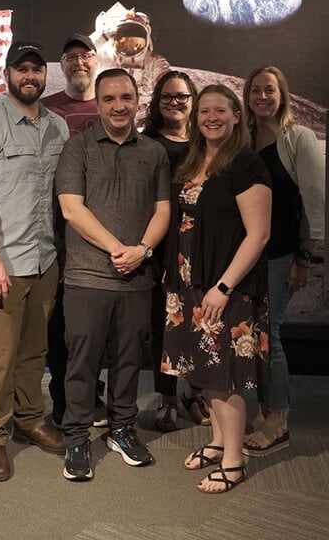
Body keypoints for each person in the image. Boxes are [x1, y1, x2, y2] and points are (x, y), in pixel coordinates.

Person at [0, 40, 69, 482]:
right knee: (0, 353)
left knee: (34, 350)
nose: (29, 76)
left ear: (44, 76)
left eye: (36, 69)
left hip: (45, 259)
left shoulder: (58, 127)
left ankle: (29, 418)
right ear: (7, 75)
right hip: (3, 262)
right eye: (21, 69)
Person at [55, 68, 171, 481]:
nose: (118, 106)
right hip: (87, 277)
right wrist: (118, 249)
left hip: (136, 278)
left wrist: (142, 251)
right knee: (81, 364)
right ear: (98, 104)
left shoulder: (154, 152)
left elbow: (162, 211)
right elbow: (71, 209)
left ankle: (122, 429)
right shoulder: (78, 148)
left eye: (125, 97)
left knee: (128, 360)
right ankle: (76, 438)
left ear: (137, 100)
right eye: (109, 99)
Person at [160, 84, 271, 494]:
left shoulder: (246, 163)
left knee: (225, 375)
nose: (211, 118)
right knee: (205, 371)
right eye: (204, 111)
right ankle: (219, 440)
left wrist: (223, 287)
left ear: (236, 116)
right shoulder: (192, 159)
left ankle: (233, 461)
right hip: (190, 283)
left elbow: (258, 235)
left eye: (220, 110)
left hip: (226, 287)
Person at [242, 66, 325, 457]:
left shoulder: (298, 137)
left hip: (280, 253)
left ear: (282, 94)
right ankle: (264, 408)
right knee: (252, 333)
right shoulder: (243, 138)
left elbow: (314, 198)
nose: (262, 96)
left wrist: (304, 256)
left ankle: (278, 419)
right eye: (255, 90)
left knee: (268, 333)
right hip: (246, 254)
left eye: (269, 90)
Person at [41, 33, 105, 427]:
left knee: (92, 323)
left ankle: (92, 393)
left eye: (86, 55)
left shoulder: (110, 106)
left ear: (96, 61)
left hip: (100, 232)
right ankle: (63, 399)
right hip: (55, 232)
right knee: (59, 322)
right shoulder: (47, 109)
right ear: (62, 65)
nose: (79, 62)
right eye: (71, 57)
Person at [141, 70, 210, 431]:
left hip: (202, 247)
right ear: (157, 101)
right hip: (160, 248)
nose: (174, 103)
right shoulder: (146, 144)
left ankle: (195, 393)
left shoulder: (207, 141)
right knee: (163, 326)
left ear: (192, 100)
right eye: (166, 96)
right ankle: (167, 398)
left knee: (200, 322)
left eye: (181, 96)